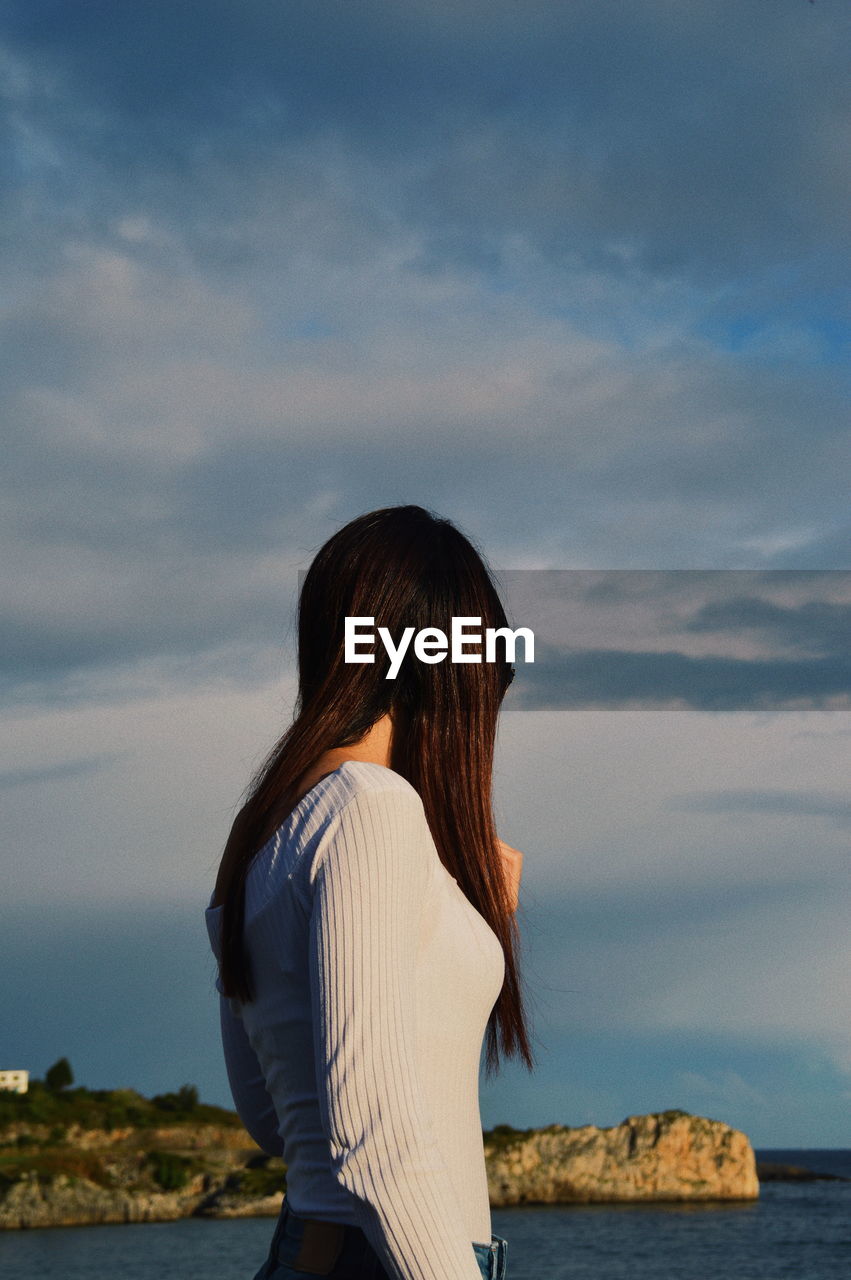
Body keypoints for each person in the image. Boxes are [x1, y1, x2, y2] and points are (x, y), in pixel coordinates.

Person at [205, 505, 535, 1280]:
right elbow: (374, 1141)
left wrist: (462, 914)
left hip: (321, 1248)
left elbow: (277, 1124)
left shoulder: (265, 836)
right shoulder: (371, 811)